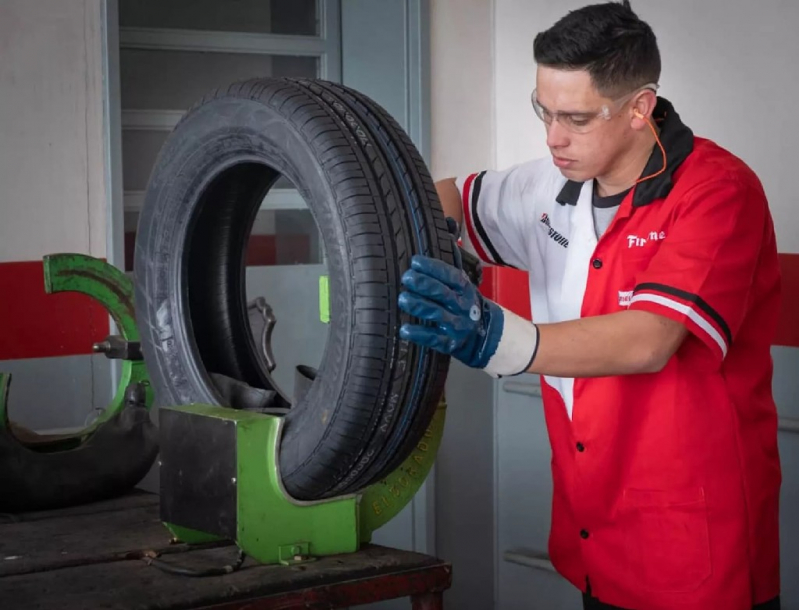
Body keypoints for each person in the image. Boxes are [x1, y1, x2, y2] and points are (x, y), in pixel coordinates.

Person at [397, 2, 782, 609]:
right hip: (592, 527)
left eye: (575, 117)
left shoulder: (718, 193)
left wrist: (496, 337)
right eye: (543, 111)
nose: (552, 137)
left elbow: (649, 339)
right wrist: (422, 239)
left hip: (693, 541)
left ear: (639, 107)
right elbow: (447, 197)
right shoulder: (547, 184)